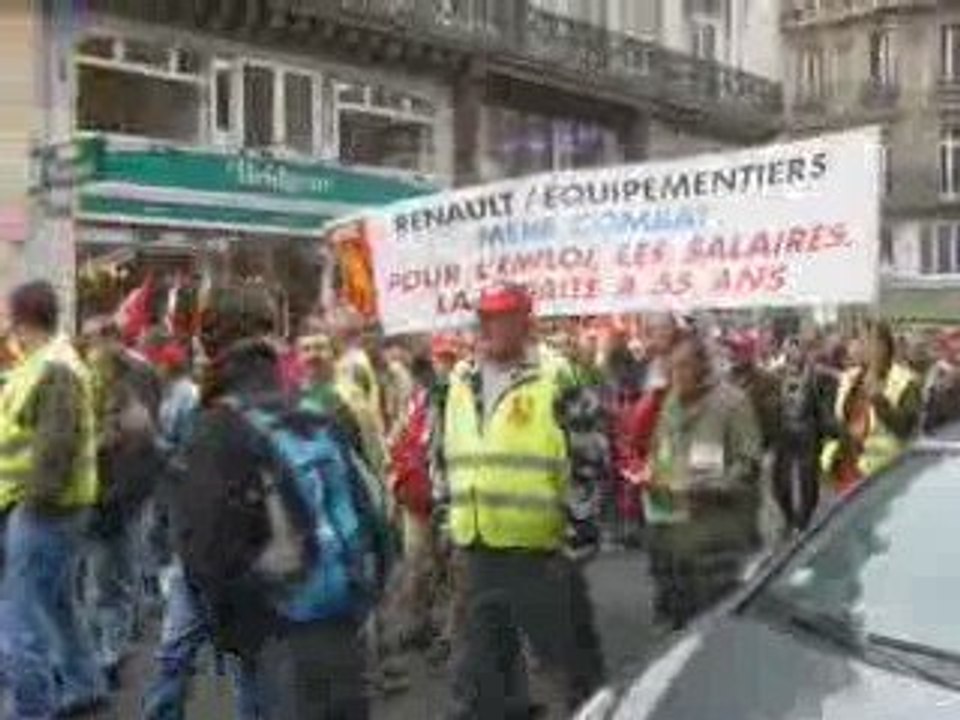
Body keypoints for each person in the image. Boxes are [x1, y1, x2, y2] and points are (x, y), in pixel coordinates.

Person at [174, 286, 378, 719]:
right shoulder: (318, 409)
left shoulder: (218, 425)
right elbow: (372, 512)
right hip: (343, 625)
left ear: (211, 344)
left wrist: (233, 633)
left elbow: (206, 555)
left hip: (274, 632)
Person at [441, 283, 606, 719]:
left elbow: (589, 457)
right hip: (476, 548)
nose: (488, 327)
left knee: (567, 666)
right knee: (484, 672)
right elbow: (443, 451)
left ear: (524, 322)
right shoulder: (459, 377)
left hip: (542, 550)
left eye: (500, 317)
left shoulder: (558, 375)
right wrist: (447, 518)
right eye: (483, 317)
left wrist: (579, 536)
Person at [0, 281, 104, 717]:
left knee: (19, 619)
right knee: (58, 604)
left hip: (42, 508)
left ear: (20, 320)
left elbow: (56, 446)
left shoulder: (53, 367)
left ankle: (31, 709)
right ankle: (84, 683)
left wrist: (33, 504)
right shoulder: (45, 363)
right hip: (49, 506)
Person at [645, 334, 764, 630]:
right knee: (679, 633)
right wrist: (652, 476)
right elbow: (660, 451)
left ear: (703, 366)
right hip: (674, 540)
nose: (677, 375)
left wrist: (711, 486)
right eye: (672, 368)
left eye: (684, 367)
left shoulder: (732, 404)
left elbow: (749, 466)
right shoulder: (671, 402)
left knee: (716, 631)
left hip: (719, 543)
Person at [80, 318, 164, 687]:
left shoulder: (137, 375)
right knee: (106, 571)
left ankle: (112, 650)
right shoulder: (90, 375)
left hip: (124, 487)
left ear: (112, 339)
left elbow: (141, 431)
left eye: (95, 340)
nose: (91, 348)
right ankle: (110, 643)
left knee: (113, 570)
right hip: (103, 489)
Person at [821, 322, 920, 494]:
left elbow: (906, 429)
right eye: (857, 339)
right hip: (844, 472)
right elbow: (838, 419)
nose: (857, 345)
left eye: (864, 340)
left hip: (881, 476)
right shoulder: (849, 377)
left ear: (882, 346)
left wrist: (878, 399)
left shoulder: (905, 382)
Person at [773, 336, 828, 534]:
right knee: (780, 481)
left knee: (808, 481)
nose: (791, 354)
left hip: (807, 432)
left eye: (795, 349)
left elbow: (824, 400)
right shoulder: (778, 373)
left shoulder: (815, 374)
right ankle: (789, 517)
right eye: (788, 350)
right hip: (784, 433)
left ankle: (805, 521)